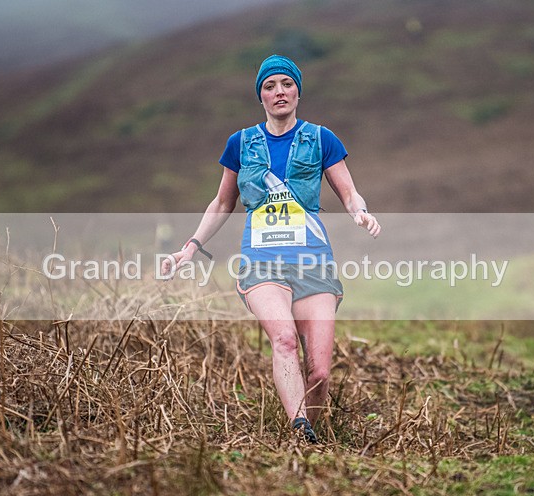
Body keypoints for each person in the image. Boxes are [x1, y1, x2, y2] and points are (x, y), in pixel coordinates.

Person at [162, 55, 381, 443]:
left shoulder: (321, 138)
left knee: (319, 372)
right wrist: (190, 248)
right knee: (283, 340)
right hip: (262, 264)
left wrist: (360, 212)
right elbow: (222, 203)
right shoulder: (241, 143)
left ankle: (314, 435)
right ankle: (299, 432)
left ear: (298, 90)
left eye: (286, 84)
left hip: (313, 262)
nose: (279, 91)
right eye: (269, 85)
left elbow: (348, 192)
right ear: (260, 95)